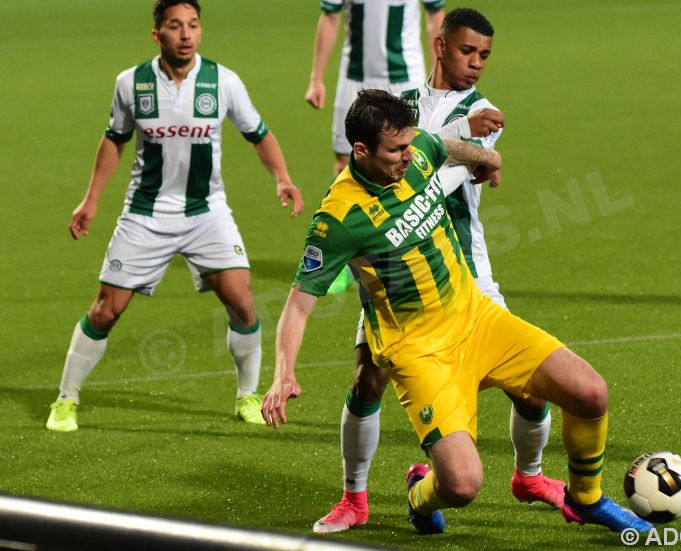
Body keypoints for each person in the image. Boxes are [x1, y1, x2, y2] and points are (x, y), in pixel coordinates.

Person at [262, 89, 653, 536]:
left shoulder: (418, 150)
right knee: (463, 485)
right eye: (396, 151)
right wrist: (283, 373)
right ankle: (419, 496)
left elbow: (441, 143)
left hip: (477, 319)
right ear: (361, 151)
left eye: (409, 146)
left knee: (591, 393)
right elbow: (298, 302)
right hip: (420, 352)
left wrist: (488, 159)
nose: (408, 157)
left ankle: (586, 500)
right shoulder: (337, 219)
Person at [312, 8, 564, 535]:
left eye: (485, 56)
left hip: (466, 272)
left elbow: (437, 179)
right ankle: (353, 498)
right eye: (468, 52)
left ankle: (531, 477)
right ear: (441, 46)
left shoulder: (484, 112)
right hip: (396, 278)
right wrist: (452, 133)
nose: (476, 65)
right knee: (366, 382)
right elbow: (413, 162)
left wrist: (462, 136)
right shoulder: (400, 102)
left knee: (532, 390)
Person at [45, 0, 304, 433]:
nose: (186, 34)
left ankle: (247, 396)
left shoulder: (223, 81)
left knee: (242, 300)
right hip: (145, 215)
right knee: (106, 310)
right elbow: (114, 140)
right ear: (157, 35)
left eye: (193, 26)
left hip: (207, 213)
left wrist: (282, 178)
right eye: (175, 26)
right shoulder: (131, 83)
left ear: (200, 32)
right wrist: (90, 199)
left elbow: (259, 134)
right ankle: (65, 399)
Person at [304, 0, 446, 175]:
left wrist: (438, 73)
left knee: (412, 159)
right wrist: (316, 79)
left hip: (407, 79)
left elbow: (435, 14)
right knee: (346, 163)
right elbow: (330, 17)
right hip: (354, 79)